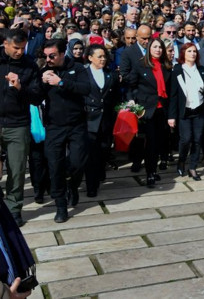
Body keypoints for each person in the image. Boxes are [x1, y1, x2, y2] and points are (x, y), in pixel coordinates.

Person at [40, 38, 92, 223]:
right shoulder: (45, 71)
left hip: (76, 124)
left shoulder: (77, 68)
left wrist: (61, 83)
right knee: (55, 165)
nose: (49, 59)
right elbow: (34, 97)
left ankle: (73, 185)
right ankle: (61, 205)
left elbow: (86, 88)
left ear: (62, 54)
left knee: (78, 162)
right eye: (46, 56)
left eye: (52, 55)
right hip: (54, 126)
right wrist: (42, 83)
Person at [0, 29, 43, 227]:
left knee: (16, 169)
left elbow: (36, 97)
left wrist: (19, 88)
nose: (19, 52)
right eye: (16, 48)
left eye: (23, 48)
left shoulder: (29, 65)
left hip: (17, 123)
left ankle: (14, 208)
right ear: (6, 44)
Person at [125, 37, 171, 189]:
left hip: (162, 109)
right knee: (150, 143)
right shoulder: (141, 65)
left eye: (160, 47)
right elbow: (131, 85)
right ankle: (150, 172)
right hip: (147, 109)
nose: (158, 50)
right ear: (149, 49)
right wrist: (132, 101)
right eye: (155, 47)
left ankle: (154, 168)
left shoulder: (166, 66)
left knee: (159, 142)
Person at [82, 44, 119, 197]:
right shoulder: (83, 73)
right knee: (92, 154)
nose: (103, 59)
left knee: (104, 150)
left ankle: (100, 172)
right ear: (90, 58)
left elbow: (115, 96)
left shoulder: (111, 74)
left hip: (107, 120)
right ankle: (92, 185)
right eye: (99, 56)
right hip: (89, 119)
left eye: (104, 56)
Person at [168, 42, 204, 181]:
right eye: (189, 51)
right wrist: (171, 116)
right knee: (186, 139)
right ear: (183, 53)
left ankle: (193, 167)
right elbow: (173, 95)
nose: (192, 54)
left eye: (194, 51)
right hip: (184, 111)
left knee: (197, 139)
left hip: (199, 110)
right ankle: (182, 160)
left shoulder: (201, 69)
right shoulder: (178, 70)